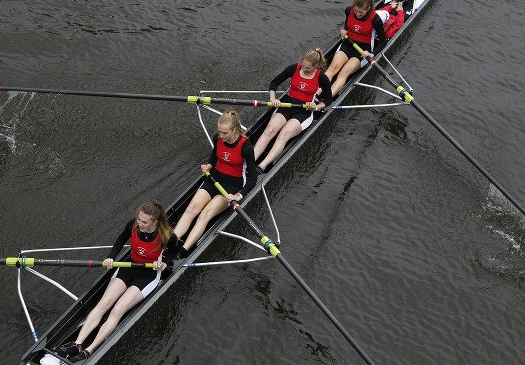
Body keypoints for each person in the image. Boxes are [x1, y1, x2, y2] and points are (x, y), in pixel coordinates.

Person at [53, 200, 176, 362]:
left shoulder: (167, 236)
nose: (140, 224)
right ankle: (77, 344)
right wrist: (111, 256)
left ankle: (89, 350)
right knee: (104, 303)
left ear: (155, 221)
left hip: (148, 276)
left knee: (118, 309)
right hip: (128, 267)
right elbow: (120, 241)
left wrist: (163, 264)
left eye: (144, 222)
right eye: (139, 219)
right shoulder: (133, 225)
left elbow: (173, 255)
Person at [173, 109, 257, 258]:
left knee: (204, 214)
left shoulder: (246, 146)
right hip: (215, 179)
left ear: (235, 130)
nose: (221, 136)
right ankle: (170, 243)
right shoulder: (217, 138)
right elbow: (214, 158)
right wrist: (209, 166)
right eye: (219, 132)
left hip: (232, 186)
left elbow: (253, 178)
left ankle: (182, 251)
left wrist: (239, 195)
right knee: (191, 209)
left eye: (225, 133)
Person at [253, 48, 332, 174]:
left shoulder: (321, 77)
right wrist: (273, 99)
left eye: (307, 68)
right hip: (287, 105)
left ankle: (262, 166)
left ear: (316, 66)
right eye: (303, 66)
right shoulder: (294, 68)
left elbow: (328, 100)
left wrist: (316, 107)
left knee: (284, 134)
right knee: (269, 130)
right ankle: (250, 162)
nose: (304, 69)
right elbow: (274, 83)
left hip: (304, 111)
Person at [326, 0, 388, 97]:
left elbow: (383, 42)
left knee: (343, 73)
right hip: (347, 44)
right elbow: (347, 25)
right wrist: (345, 30)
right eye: (356, 11)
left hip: (362, 51)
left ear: (368, 9)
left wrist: (372, 55)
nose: (358, 14)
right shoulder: (349, 10)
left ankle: (327, 99)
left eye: (361, 12)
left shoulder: (375, 20)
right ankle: (314, 94)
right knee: (333, 67)